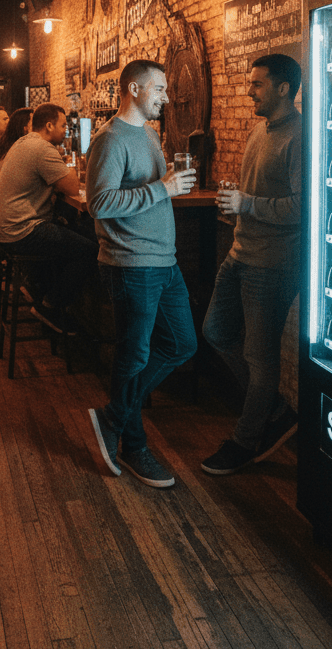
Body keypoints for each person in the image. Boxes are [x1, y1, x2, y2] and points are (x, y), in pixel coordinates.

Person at [85, 60, 198, 489]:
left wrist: (168, 190)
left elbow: (148, 196)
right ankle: (134, 446)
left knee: (182, 343)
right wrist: (163, 189)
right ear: (134, 88)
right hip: (131, 263)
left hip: (163, 262)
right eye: (160, 89)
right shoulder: (110, 139)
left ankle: (112, 418)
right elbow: (100, 204)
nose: (167, 97)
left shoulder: (149, 135)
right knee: (133, 355)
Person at [201, 53, 303, 476]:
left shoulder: (300, 137)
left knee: (260, 358)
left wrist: (248, 204)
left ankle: (246, 441)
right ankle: (277, 412)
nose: (249, 91)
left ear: (283, 88)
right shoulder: (259, 130)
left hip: (273, 263)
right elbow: (254, 194)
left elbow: (302, 206)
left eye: (258, 84)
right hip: (241, 252)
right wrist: (239, 207)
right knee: (214, 331)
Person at [0, 103, 96, 335]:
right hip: (21, 230)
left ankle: (37, 285)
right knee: (90, 250)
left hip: (4, 228)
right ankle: (50, 306)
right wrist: (65, 161)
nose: (66, 130)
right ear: (49, 126)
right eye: (63, 125)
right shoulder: (43, 149)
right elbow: (71, 188)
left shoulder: (23, 142)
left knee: (67, 234)